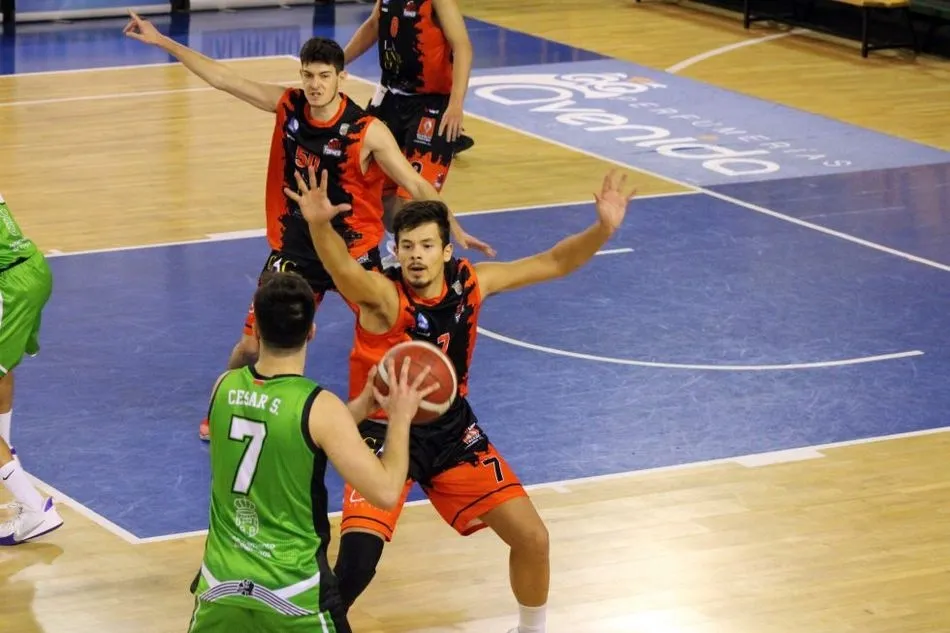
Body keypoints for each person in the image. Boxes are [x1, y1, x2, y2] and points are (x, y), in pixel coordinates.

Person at [285, 165, 636, 633]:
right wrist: (318, 225)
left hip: (452, 433)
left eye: (427, 245)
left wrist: (602, 229)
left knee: (532, 538)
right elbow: (342, 269)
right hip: (383, 434)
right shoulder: (385, 299)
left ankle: (531, 630)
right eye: (406, 246)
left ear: (447, 250)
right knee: (356, 569)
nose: (415, 256)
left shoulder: (473, 283)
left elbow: (553, 262)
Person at [121, 15, 493, 441]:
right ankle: (221, 403)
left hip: (354, 254)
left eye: (324, 76)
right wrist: (163, 40)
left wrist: (451, 222)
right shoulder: (289, 106)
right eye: (308, 75)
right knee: (253, 346)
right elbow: (224, 79)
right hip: (296, 249)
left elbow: (413, 183)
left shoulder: (367, 132)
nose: (315, 84)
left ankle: (420, 413)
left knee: (396, 328)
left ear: (342, 78)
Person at [187, 270, 438, 632]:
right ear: (311, 332)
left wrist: (364, 405)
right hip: (292, 594)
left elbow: (289, 427)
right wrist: (399, 419)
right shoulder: (320, 406)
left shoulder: (222, 388)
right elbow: (384, 491)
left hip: (221, 586)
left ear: (256, 331)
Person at [342, 0, 476, 267]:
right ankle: (401, 244)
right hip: (391, 99)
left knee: (412, 197)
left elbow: (463, 47)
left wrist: (456, 103)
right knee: (375, 189)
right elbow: (373, 25)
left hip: (431, 104)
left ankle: (423, 260)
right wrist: (339, 61)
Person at [0, 193, 64, 546]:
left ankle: (33, 507)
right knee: (2, 365)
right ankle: (5, 454)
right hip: (31, 270)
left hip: (6, 287)